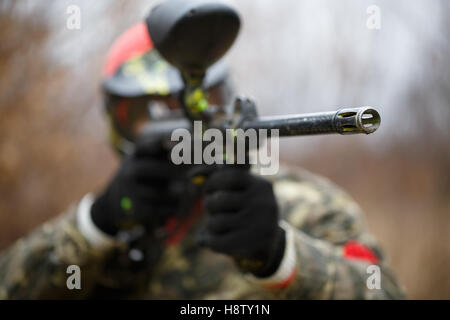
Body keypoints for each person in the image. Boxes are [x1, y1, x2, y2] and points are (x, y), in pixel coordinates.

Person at [0, 20, 405, 300]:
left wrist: (280, 257)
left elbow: (382, 292)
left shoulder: (303, 204)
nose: (177, 128)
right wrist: (95, 225)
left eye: (193, 107)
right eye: (146, 111)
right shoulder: (106, 225)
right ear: (116, 122)